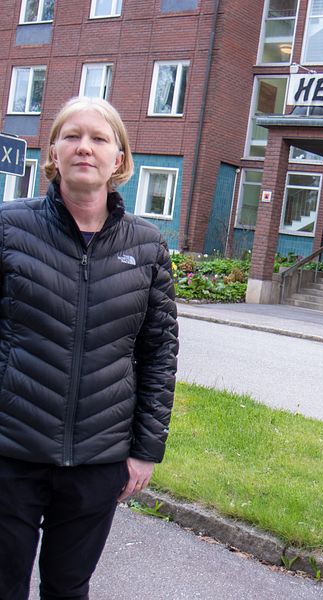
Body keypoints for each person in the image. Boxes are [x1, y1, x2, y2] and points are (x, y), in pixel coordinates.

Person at [0, 97, 179, 600]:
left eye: (100, 139)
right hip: (10, 451)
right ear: (53, 152)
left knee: (69, 588)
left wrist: (145, 451)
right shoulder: (9, 227)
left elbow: (159, 354)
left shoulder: (146, 245)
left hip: (98, 459)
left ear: (120, 160)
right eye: (72, 136)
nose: (85, 147)